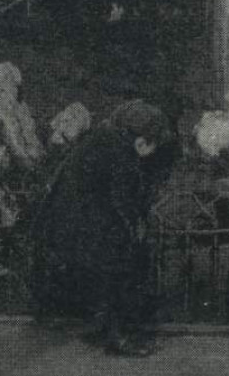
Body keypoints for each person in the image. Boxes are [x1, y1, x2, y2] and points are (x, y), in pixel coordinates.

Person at [27, 99, 179, 354]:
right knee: (121, 259)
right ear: (141, 140)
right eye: (153, 145)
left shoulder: (104, 138)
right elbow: (122, 199)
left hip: (67, 223)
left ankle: (105, 326)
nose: (152, 153)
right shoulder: (119, 150)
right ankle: (117, 336)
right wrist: (136, 226)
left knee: (114, 256)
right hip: (80, 226)